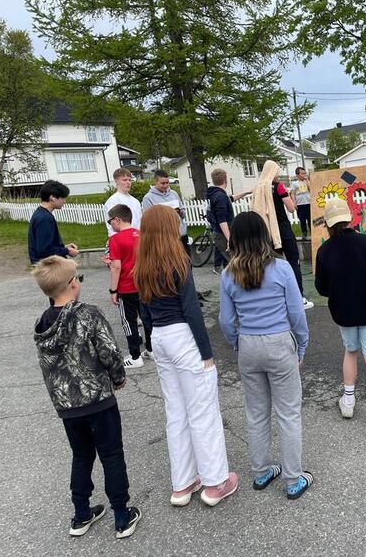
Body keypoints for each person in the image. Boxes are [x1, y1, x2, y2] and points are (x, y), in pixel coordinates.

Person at [133, 205, 237, 508]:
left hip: (160, 337)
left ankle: (183, 482)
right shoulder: (178, 260)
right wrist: (207, 353)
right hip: (183, 336)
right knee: (202, 409)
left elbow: (143, 309)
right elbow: (192, 309)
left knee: (176, 412)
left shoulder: (142, 264)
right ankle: (215, 481)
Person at [32, 255, 141, 539]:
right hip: (98, 399)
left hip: (68, 406)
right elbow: (108, 351)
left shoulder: (42, 325)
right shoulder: (88, 314)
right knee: (111, 454)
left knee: (81, 455)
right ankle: (121, 514)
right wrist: (118, 377)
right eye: (78, 278)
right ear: (71, 284)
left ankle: (81, 514)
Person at [218, 212, 314, 500]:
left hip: (248, 344)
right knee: (288, 412)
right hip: (278, 342)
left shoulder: (228, 274)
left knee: (256, 412)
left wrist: (237, 343)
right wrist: (302, 344)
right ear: (264, 235)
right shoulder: (282, 269)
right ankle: (293, 478)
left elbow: (225, 320)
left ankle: (261, 471)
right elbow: (296, 313)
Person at [314, 198, 366, 433]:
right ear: (349, 219)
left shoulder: (325, 250)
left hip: (344, 311)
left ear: (328, 223)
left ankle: (348, 401)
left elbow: (321, 288)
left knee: (350, 351)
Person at [251, 160, 314, 310]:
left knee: (272, 266)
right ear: (273, 172)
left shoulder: (258, 188)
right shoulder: (278, 187)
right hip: (283, 231)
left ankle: (277, 298)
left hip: (267, 233)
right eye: (277, 172)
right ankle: (299, 297)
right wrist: (291, 199)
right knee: (293, 263)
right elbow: (291, 208)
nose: (278, 175)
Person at [107, 204, 152, 368]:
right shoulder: (142, 235)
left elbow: (116, 266)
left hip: (126, 287)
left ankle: (135, 356)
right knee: (147, 317)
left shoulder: (115, 239)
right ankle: (151, 349)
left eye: (110, 220)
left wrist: (113, 289)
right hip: (143, 284)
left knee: (128, 321)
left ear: (117, 219)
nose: (110, 224)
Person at [205, 168, 252, 271]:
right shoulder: (220, 196)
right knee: (237, 264)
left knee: (229, 265)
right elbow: (222, 220)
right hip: (223, 235)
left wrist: (247, 192)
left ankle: (228, 285)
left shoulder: (215, 194)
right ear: (225, 180)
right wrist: (229, 239)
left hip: (219, 233)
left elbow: (230, 199)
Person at [28, 180, 79, 264]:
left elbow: (45, 245)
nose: (64, 201)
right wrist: (67, 251)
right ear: (52, 198)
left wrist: (64, 247)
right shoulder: (44, 218)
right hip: (48, 267)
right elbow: (44, 251)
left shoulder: (40, 213)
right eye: (63, 198)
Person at [102, 168, 142, 266]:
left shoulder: (135, 201)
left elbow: (139, 222)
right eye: (124, 180)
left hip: (136, 239)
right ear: (116, 181)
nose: (128, 182)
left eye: (129, 180)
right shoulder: (113, 201)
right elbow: (113, 225)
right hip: (121, 242)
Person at [141, 170, 188, 250]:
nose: (166, 185)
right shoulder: (148, 198)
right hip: (164, 238)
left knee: (186, 261)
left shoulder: (174, 194)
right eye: (163, 183)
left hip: (180, 235)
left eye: (167, 182)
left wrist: (180, 211)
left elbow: (183, 215)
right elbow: (148, 221)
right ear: (155, 182)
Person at [289, 166, 312, 239]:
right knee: (302, 219)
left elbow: (311, 188)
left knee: (309, 218)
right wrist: (294, 202)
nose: (304, 175)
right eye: (302, 174)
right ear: (297, 175)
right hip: (300, 204)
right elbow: (292, 193)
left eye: (305, 173)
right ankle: (304, 233)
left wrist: (307, 180)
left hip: (308, 202)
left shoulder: (307, 181)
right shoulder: (294, 183)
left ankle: (312, 232)